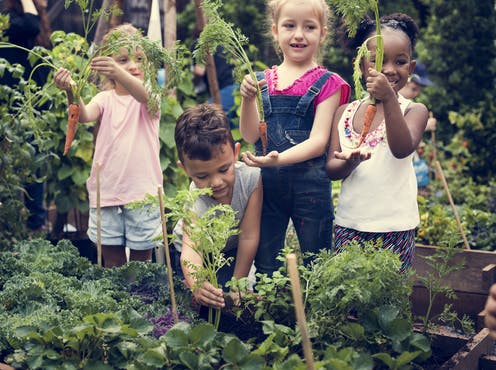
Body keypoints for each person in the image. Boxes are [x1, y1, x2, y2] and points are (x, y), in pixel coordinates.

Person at [239, 0, 350, 276]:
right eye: (290, 26)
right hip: (267, 186)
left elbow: (318, 143)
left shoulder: (329, 82)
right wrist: (247, 100)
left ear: (322, 33)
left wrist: (276, 160)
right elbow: (250, 134)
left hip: (310, 188)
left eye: (309, 27)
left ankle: (318, 316)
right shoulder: (262, 80)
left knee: (318, 259)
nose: (299, 34)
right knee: (266, 260)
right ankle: (270, 316)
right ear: (276, 31)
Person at [325, 13, 429, 271]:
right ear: (361, 65)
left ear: (411, 69)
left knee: (388, 301)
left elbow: (402, 149)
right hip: (350, 224)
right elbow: (330, 170)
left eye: (401, 62)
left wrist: (390, 98)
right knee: (349, 297)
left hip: (395, 228)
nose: (390, 69)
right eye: (378, 60)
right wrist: (350, 163)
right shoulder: (343, 113)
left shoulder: (413, 111)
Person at [54, 24, 163, 267]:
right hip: (107, 192)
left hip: (142, 194)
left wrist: (118, 69)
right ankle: (118, 303)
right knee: (112, 259)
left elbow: (146, 97)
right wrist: (70, 89)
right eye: (122, 60)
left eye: (138, 59)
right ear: (106, 66)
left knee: (140, 262)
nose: (133, 66)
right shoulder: (104, 99)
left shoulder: (149, 97)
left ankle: (140, 303)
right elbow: (82, 115)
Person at [172, 103, 262, 309]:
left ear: (235, 152)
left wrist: (238, 283)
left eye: (224, 169)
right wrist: (197, 284)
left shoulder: (251, 180)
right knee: (203, 301)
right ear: (184, 169)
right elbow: (191, 251)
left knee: (241, 297)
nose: (216, 182)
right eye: (202, 176)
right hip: (199, 257)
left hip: (232, 249)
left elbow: (248, 236)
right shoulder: (195, 200)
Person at [0, 0, 51, 233]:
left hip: (33, 106)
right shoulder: (9, 18)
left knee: (34, 164)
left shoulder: (37, 18)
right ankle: (14, 227)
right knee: (12, 166)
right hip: (13, 107)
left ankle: (35, 225)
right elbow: (30, 25)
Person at [399, 62, 437, 190]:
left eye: (418, 90)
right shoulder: (393, 103)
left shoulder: (410, 105)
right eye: (414, 89)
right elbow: (399, 127)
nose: (416, 94)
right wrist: (425, 126)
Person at [192, 45, 239, 129]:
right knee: (232, 124)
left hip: (224, 90)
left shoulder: (200, 44)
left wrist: (192, 79)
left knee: (206, 120)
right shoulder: (223, 42)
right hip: (237, 87)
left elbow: (200, 70)